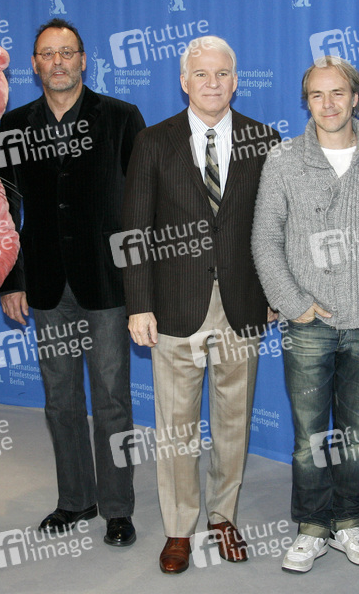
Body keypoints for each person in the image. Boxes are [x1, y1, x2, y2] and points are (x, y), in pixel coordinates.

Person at [122, 35, 280, 574]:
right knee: (176, 426)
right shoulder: (153, 141)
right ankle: (178, 528)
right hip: (173, 307)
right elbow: (134, 231)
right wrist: (139, 304)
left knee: (233, 421)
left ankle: (223, 516)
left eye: (222, 74)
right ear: (183, 82)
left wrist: (274, 293)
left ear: (236, 81)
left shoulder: (265, 139)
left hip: (243, 304)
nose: (213, 83)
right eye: (202, 74)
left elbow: (275, 226)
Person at [0, 18, 145, 547]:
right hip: (45, 285)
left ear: (84, 60)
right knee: (60, 399)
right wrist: (12, 280)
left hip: (106, 284)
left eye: (67, 52)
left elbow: (140, 205)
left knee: (111, 400)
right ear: (34, 64)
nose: (57, 62)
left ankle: (118, 507)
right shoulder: (13, 125)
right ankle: (76, 499)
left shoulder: (122, 118)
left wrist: (139, 284)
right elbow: (5, 209)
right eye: (47, 54)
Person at [252, 55, 359, 573]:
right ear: (306, 101)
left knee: (354, 435)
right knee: (309, 439)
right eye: (317, 94)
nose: (328, 104)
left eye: (338, 93)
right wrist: (294, 304)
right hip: (307, 325)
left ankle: (348, 522)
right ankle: (312, 527)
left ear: (356, 98)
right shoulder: (283, 159)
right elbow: (265, 240)